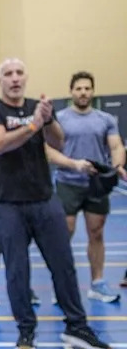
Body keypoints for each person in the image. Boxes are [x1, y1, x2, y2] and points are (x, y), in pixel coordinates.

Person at [0, 58, 111, 349]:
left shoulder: (38, 110)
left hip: (44, 200)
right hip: (9, 203)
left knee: (63, 265)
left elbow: (58, 143)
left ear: (26, 78)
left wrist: (47, 121)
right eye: (8, 74)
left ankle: (77, 326)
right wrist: (34, 123)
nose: (15, 78)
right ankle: (26, 331)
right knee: (17, 270)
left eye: (19, 73)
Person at [45, 71, 125, 304]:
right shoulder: (59, 119)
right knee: (64, 234)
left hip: (96, 185)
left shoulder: (105, 119)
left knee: (96, 233)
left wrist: (117, 166)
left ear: (92, 91)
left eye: (87, 88)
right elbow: (49, 150)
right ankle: (62, 286)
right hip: (68, 183)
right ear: (71, 92)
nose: (83, 92)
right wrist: (72, 165)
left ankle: (97, 283)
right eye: (78, 88)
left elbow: (116, 146)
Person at [0, 140, 40, 309]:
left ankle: (25, 288)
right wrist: (4, 174)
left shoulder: (17, 140)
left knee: (21, 245)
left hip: (19, 195)